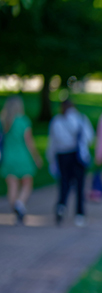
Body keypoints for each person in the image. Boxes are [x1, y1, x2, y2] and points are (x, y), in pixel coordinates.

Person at [47, 98, 94, 226]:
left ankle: (61, 205)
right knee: (79, 185)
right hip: (77, 155)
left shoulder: (56, 121)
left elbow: (52, 143)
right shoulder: (80, 119)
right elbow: (89, 137)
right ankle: (79, 214)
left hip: (62, 155)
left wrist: (51, 160)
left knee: (64, 182)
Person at [0, 95, 42, 224]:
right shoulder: (23, 121)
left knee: (12, 186)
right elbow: (29, 141)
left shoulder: (4, 121)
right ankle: (20, 203)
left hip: (8, 157)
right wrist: (36, 156)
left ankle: (16, 209)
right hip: (22, 156)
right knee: (27, 183)